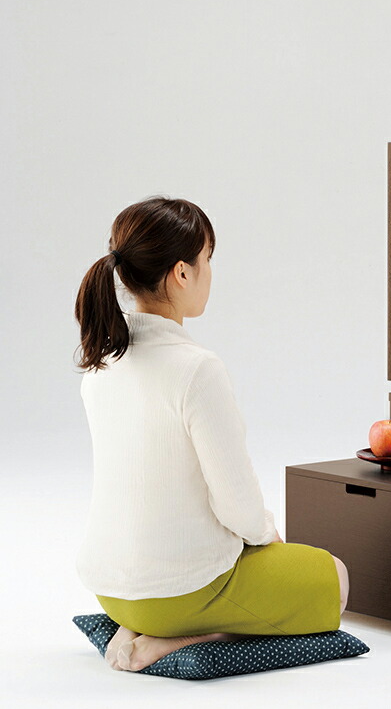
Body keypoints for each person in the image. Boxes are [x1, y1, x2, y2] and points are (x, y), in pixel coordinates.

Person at [73, 196, 349, 672]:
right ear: (182, 273)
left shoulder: (102, 364)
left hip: (111, 591)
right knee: (337, 579)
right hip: (181, 592)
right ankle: (193, 637)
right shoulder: (197, 369)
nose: (210, 272)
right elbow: (237, 505)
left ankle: (143, 626)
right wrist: (267, 536)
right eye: (207, 259)